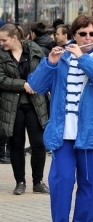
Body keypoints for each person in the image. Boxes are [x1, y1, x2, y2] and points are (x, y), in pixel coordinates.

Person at [28, 15, 93, 222]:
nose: (88, 38)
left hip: (92, 134)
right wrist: (50, 62)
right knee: (61, 183)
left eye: (91, 33)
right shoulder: (61, 57)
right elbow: (35, 86)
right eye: (82, 34)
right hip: (62, 133)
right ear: (73, 36)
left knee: (88, 185)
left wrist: (84, 58)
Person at [0, 24, 49, 195]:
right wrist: (23, 85)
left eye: (4, 39)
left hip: (35, 104)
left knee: (39, 144)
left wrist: (37, 83)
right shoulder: (1, 55)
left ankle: (38, 181)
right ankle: (20, 181)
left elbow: (46, 70)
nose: (1, 43)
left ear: (14, 38)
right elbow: (1, 79)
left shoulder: (35, 50)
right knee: (16, 145)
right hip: (12, 107)